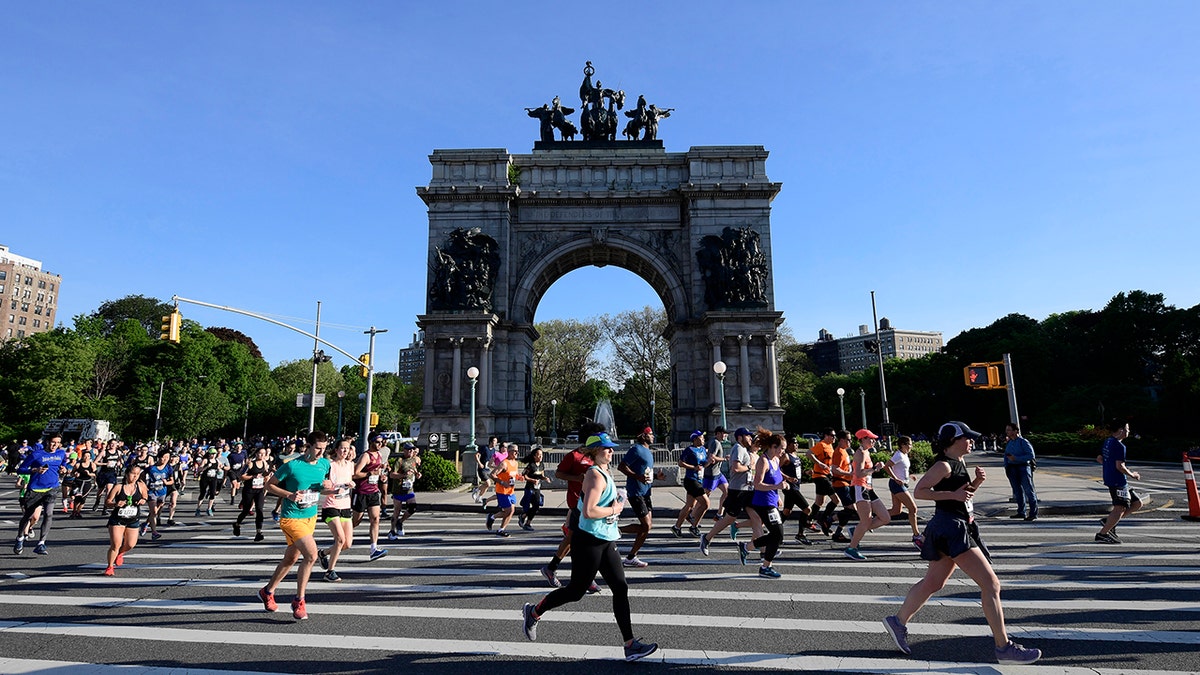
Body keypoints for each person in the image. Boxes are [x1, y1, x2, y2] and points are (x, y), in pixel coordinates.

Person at [882, 421, 1041, 665]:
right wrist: (952, 495)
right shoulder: (943, 465)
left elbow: (962, 496)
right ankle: (1004, 647)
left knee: (933, 582)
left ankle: (897, 621)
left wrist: (975, 483)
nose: (971, 441)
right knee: (991, 584)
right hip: (951, 528)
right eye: (967, 438)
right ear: (952, 441)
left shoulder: (959, 462)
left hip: (956, 525)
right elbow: (921, 492)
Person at [522, 432, 658, 662]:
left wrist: (617, 503)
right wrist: (615, 509)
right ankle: (534, 612)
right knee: (575, 592)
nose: (611, 451)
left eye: (611, 447)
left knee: (620, 587)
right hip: (588, 540)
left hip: (605, 539)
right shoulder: (595, 475)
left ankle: (630, 644)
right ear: (594, 452)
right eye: (606, 448)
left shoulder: (605, 471)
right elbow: (589, 511)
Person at [258, 430, 334, 621]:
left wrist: (331, 488)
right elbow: (270, 485)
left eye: (323, 449)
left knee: (291, 559)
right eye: (317, 448)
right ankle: (299, 600)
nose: (320, 453)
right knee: (311, 555)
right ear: (307, 446)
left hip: (310, 517)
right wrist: (289, 495)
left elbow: (323, 490)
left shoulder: (324, 464)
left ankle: (268, 591)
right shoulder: (292, 465)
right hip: (291, 518)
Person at [540, 421, 605, 591]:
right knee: (587, 541)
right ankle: (584, 577)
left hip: (594, 504)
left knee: (577, 540)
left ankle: (554, 569)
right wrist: (578, 478)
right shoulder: (574, 455)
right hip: (578, 503)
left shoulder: (598, 456)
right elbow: (559, 473)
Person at [737, 428, 788, 578]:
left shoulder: (776, 460)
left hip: (772, 501)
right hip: (762, 503)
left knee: (776, 535)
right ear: (773, 447)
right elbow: (757, 484)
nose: (783, 452)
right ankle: (761, 562)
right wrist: (776, 487)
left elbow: (775, 478)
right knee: (777, 534)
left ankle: (752, 552)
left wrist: (780, 490)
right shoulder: (763, 461)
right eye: (781, 449)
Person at [700, 427, 756, 556]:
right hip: (737, 490)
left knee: (757, 518)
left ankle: (762, 549)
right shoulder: (738, 448)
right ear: (740, 437)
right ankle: (707, 538)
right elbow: (736, 468)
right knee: (729, 518)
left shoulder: (744, 450)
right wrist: (749, 467)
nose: (750, 438)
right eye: (748, 436)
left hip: (747, 490)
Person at [13, 434, 68, 555]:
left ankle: (41, 543)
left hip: (52, 488)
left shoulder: (61, 454)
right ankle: (20, 538)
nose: (55, 445)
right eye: (53, 442)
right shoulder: (36, 454)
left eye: (58, 443)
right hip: (35, 489)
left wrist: (64, 469)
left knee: (48, 514)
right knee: (28, 516)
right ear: (48, 442)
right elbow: (20, 469)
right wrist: (35, 470)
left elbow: (63, 465)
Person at [843, 429, 890, 560]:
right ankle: (851, 548)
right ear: (863, 439)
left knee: (885, 517)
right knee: (866, 520)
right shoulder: (860, 453)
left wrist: (874, 468)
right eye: (871, 439)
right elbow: (858, 473)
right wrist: (875, 468)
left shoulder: (866, 452)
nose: (874, 441)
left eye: (874, 439)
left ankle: (857, 530)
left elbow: (865, 472)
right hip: (859, 487)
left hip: (868, 488)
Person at [1096, 420, 1141, 544]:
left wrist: (1108, 466)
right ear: (1121, 430)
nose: (1129, 431)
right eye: (1127, 429)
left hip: (1113, 479)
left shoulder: (1108, 441)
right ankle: (1102, 534)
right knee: (1120, 507)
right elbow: (1120, 466)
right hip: (1117, 481)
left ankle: (1109, 521)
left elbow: (1099, 458)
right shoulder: (1119, 446)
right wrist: (1133, 474)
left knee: (1137, 503)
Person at [317, 438, 356, 582]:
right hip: (331, 506)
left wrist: (350, 485)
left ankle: (323, 553)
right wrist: (334, 490)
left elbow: (349, 482)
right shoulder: (330, 466)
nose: (345, 451)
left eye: (348, 448)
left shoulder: (350, 465)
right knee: (339, 540)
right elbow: (321, 490)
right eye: (343, 448)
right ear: (336, 449)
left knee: (347, 544)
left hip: (345, 506)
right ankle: (330, 572)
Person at [617, 428, 656, 567]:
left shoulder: (648, 451)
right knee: (646, 525)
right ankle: (616, 530)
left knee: (647, 527)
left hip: (646, 493)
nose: (653, 436)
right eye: (651, 434)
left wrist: (657, 477)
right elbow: (621, 466)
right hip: (636, 493)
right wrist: (637, 477)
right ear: (644, 435)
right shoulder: (636, 450)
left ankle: (631, 557)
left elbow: (645, 472)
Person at [102, 464, 149, 576]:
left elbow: (145, 497)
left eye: (138, 474)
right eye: (133, 474)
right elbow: (107, 502)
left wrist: (143, 500)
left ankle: (120, 554)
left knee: (131, 544)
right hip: (117, 519)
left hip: (133, 519)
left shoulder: (141, 485)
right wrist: (115, 504)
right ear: (127, 474)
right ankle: (110, 566)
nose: (136, 476)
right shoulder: (118, 487)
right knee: (116, 544)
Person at [351, 433, 389, 561]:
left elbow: (376, 474)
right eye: (377, 442)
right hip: (361, 492)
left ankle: (374, 549)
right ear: (371, 442)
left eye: (381, 442)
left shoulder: (379, 455)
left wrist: (380, 477)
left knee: (375, 519)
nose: (380, 444)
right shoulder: (366, 456)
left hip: (373, 491)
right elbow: (355, 474)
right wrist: (369, 473)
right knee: (356, 521)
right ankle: (341, 537)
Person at [885, 435, 923, 548]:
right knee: (913, 508)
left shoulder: (904, 455)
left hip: (900, 483)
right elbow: (887, 467)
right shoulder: (898, 455)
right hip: (897, 485)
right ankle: (916, 535)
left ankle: (870, 521)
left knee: (896, 510)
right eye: (909, 444)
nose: (911, 446)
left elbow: (901, 468)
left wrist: (909, 476)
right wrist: (896, 478)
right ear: (903, 445)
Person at [670, 431, 709, 537]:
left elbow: (703, 463)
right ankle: (694, 527)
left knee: (689, 505)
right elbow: (680, 463)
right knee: (706, 503)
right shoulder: (689, 450)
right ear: (695, 439)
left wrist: (710, 462)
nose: (703, 439)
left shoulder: (703, 450)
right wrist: (693, 467)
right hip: (691, 480)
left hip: (699, 479)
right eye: (701, 437)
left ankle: (677, 527)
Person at [780, 433, 813, 545]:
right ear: (788, 445)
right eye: (794, 443)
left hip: (796, 486)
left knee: (786, 512)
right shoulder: (786, 456)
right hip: (790, 488)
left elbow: (796, 471)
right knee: (807, 509)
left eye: (797, 443)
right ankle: (800, 534)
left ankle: (774, 530)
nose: (797, 445)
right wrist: (786, 478)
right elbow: (776, 469)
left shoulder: (796, 456)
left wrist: (805, 472)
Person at [234, 444, 273, 541]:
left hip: (259, 490)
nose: (262, 455)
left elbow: (265, 474)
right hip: (249, 490)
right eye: (260, 453)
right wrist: (252, 477)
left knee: (259, 510)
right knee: (246, 511)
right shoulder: (251, 464)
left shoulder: (264, 463)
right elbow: (241, 476)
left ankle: (258, 532)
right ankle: (237, 524)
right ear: (256, 454)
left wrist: (267, 476)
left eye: (263, 454)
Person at [1003, 423, 1038, 521]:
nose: (1007, 432)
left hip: (1023, 467)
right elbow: (1006, 455)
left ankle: (1033, 513)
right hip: (1012, 468)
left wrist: (1016, 458)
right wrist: (1006, 466)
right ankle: (1021, 512)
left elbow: (1031, 455)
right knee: (1017, 491)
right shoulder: (1009, 442)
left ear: (1015, 431)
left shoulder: (1023, 442)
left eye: (1009, 430)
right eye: (1007, 430)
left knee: (1028, 490)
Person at [486, 443, 523, 536]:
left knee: (511, 511)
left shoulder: (515, 463)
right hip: (502, 491)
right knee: (509, 510)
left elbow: (514, 474)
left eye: (517, 451)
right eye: (515, 451)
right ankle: (495, 521)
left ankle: (498, 526)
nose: (517, 453)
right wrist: (502, 482)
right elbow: (492, 474)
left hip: (511, 491)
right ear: (509, 452)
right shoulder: (504, 463)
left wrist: (519, 477)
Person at [387, 442, 421, 539]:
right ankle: (392, 531)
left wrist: (418, 474)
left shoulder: (413, 460)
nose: (410, 452)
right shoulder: (400, 460)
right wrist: (403, 476)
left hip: (409, 489)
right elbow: (392, 474)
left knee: (412, 508)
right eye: (409, 450)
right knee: (397, 511)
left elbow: (414, 470)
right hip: (398, 489)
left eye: (412, 450)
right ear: (404, 450)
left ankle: (400, 522)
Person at [807, 428, 838, 535]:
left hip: (826, 475)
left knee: (819, 502)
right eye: (832, 435)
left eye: (835, 436)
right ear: (826, 436)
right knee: (836, 500)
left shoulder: (830, 446)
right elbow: (809, 453)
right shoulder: (821, 445)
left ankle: (808, 520)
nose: (834, 438)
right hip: (820, 476)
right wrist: (819, 463)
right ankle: (823, 519)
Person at [142, 450, 174, 541]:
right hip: (152, 492)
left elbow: (172, 481)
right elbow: (142, 476)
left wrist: (167, 482)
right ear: (159, 457)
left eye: (167, 457)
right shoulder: (152, 468)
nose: (165, 459)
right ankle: (154, 532)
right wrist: (144, 486)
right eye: (164, 457)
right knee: (154, 512)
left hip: (162, 492)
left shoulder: (168, 468)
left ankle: (145, 524)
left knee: (154, 512)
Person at [517, 445, 546, 532]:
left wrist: (545, 478)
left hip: (537, 488)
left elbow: (542, 475)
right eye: (539, 455)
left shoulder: (541, 465)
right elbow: (524, 475)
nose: (541, 457)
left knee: (536, 506)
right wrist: (532, 480)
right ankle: (523, 516)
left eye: (542, 455)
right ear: (534, 456)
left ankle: (527, 522)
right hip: (529, 488)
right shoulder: (531, 466)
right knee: (526, 506)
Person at [703, 426, 729, 519]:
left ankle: (719, 514)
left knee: (727, 491)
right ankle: (692, 514)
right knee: (705, 496)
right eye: (723, 433)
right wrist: (724, 459)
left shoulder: (712, 441)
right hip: (712, 473)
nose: (725, 435)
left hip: (718, 473)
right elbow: (712, 456)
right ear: (718, 433)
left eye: (725, 433)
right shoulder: (716, 443)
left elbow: (705, 448)